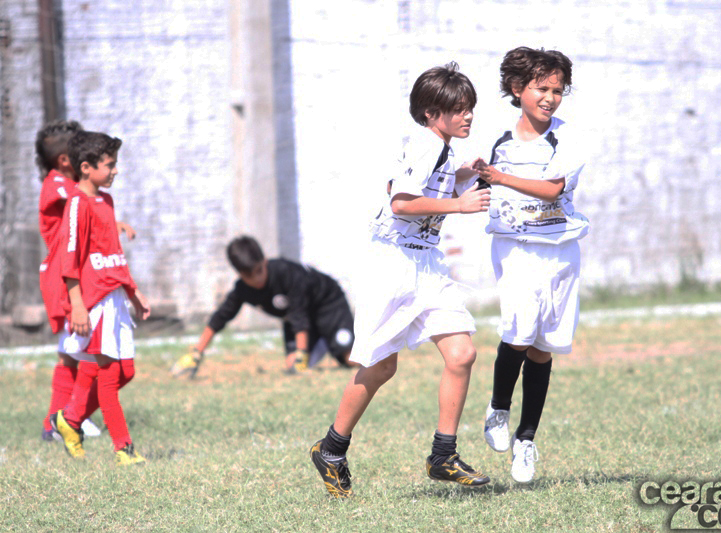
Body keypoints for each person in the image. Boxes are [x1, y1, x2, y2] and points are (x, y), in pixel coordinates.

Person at [309, 62, 491, 498]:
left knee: (462, 352)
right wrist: (460, 205)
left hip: (426, 263)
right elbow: (401, 203)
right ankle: (332, 449)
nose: (468, 116)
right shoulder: (427, 146)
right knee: (381, 364)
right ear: (432, 113)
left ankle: (443, 455)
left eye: (471, 108)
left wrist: (463, 175)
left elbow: (419, 187)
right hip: (391, 265)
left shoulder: (439, 147)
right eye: (459, 109)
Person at [476, 47, 590, 483]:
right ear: (516, 88)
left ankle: (526, 440)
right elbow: (470, 172)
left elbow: (552, 188)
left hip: (561, 249)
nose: (550, 97)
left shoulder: (569, 138)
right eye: (542, 88)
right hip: (516, 247)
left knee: (544, 346)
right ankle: (498, 408)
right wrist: (473, 176)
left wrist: (498, 177)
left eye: (558, 90)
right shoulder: (495, 136)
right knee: (519, 333)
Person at [41, 131, 151, 465]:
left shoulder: (106, 201)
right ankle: (124, 449)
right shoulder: (77, 203)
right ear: (86, 167)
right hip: (95, 301)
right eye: (110, 165)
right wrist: (77, 304)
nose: (116, 171)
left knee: (126, 372)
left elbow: (114, 254)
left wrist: (134, 292)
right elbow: (69, 258)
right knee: (108, 374)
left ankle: (70, 420)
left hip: (115, 296)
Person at [170, 235, 358, 379]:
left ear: (265, 261)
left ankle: (334, 339)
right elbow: (221, 317)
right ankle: (323, 341)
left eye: (259, 271)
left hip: (327, 304)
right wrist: (196, 353)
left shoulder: (287, 273)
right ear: (240, 275)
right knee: (292, 365)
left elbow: (299, 314)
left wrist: (302, 355)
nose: (257, 279)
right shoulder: (243, 290)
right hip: (298, 319)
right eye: (249, 276)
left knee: (351, 360)